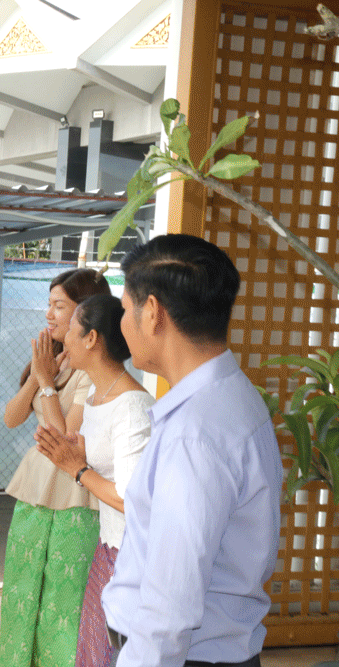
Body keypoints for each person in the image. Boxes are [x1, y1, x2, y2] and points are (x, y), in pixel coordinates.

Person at [101, 234, 282, 667]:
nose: (122, 324)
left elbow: (170, 606)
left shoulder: (194, 432)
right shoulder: (231, 396)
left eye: (126, 309)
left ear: (153, 313)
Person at [33, 293, 154, 667]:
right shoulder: (102, 396)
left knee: (110, 654)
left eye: (71, 329)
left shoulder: (133, 406)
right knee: (92, 651)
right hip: (109, 546)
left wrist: (78, 469)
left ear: (91, 339)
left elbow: (130, 499)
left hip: (131, 555)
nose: (63, 336)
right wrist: (44, 381)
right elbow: (84, 453)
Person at [0, 268, 111, 667]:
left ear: (87, 313)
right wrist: (39, 376)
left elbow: (65, 439)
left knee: (64, 606)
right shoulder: (54, 360)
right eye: (49, 304)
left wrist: (46, 383)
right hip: (34, 493)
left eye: (59, 305)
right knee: (21, 594)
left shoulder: (94, 372)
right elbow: (12, 417)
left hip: (76, 498)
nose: (50, 314)